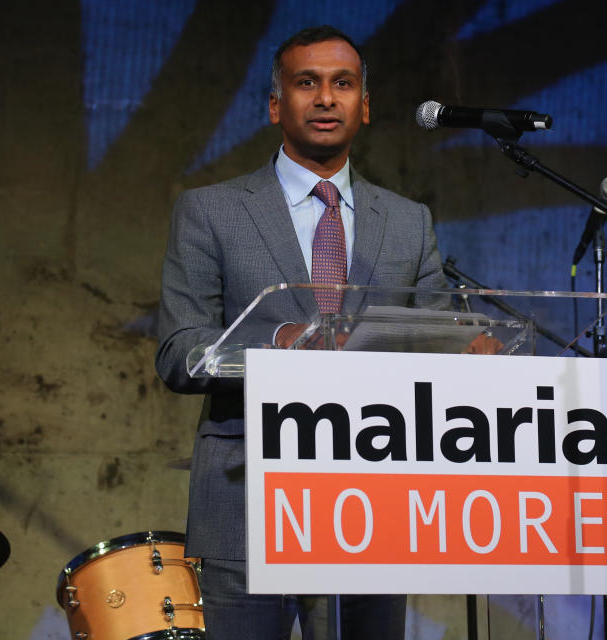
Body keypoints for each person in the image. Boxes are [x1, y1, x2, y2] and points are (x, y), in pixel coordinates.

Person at [156, 25, 449, 639]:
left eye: (342, 84)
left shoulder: (408, 222)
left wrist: (470, 353)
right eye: (306, 83)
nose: (324, 98)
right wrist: (270, 353)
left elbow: (436, 343)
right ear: (275, 105)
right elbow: (179, 353)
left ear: (363, 107)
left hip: (371, 506)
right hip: (246, 504)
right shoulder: (210, 211)